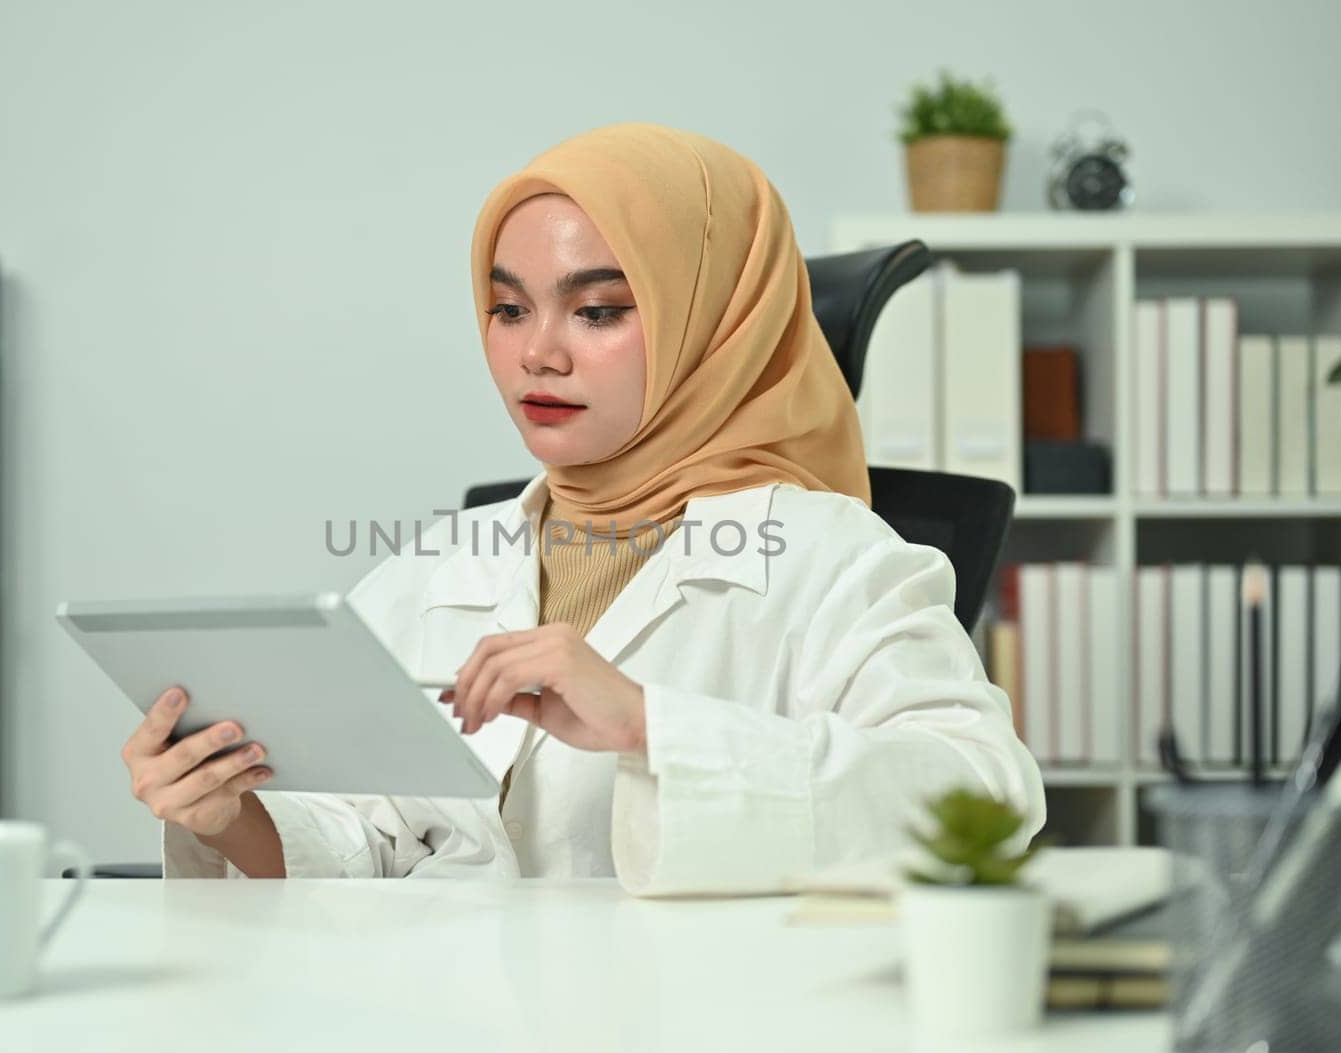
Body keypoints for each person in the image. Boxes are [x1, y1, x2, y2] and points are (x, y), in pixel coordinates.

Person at [126, 122, 1046, 896]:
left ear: (713, 327)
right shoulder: (445, 564)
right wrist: (230, 813)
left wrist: (651, 724)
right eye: (508, 309)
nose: (539, 354)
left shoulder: (830, 556)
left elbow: (988, 801)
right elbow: (371, 838)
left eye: (598, 310)